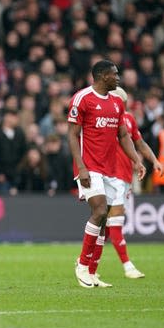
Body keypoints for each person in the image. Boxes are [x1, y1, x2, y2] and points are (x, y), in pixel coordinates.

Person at [67, 60, 146, 289]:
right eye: (115, 74)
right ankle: (82, 265)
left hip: (110, 169)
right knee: (99, 210)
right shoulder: (82, 99)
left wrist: (136, 159)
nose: (118, 78)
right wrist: (81, 167)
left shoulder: (116, 104)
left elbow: (123, 136)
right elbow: (72, 135)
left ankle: (92, 272)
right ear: (102, 76)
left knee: (103, 221)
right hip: (89, 166)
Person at [93, 87, 164, 279]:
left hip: (124, 176)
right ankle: (127, 266)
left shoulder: (129, 120)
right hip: (109, 174)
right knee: (114, 221)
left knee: (105, 225)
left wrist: (154, 160)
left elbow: (139, 143)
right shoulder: (104, 119)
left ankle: (89, 266)